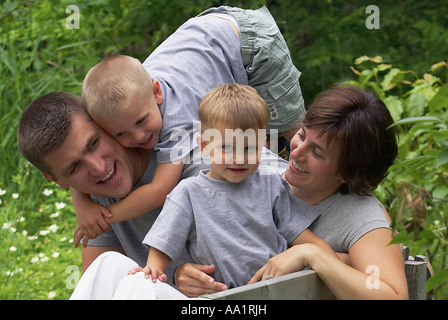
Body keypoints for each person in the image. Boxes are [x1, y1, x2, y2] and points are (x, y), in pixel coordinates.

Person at [72, 5, 305, 245]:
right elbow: (75, 148)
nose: (139, 136)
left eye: (142, 121)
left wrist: (103, 219)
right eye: (121, 133)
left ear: (156, 93)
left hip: (248, 42)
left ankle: (322, 193)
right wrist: (80, 200)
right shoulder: (131, 98)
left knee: (289, 136)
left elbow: (159, 191)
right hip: (203, 38)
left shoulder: (177, 119)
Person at [174, 84, 409, 299]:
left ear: (347, 172)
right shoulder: (248, 167)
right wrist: (184, 273)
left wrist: (312, 255)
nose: (295, 153)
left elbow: (393, 295)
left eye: (317, 153)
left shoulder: (362, 219)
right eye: (302, 135)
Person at [127, 84, 335, 289]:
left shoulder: (271, 184)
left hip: (276, 288)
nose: (238, 158)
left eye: (249, 147)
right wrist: (152, 269)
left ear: (262, 144)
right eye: (226, 147)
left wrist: (327, 258)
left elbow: (300, 234)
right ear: (204, 146)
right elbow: (164, 244)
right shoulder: (188, 193)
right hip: (222, 294)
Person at [16, 92, 207, 274]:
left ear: (105, 124)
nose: (99, 168)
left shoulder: (199, 164)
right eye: (74, 168)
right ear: (55, 179)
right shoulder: (95, 204)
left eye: (93, 144)